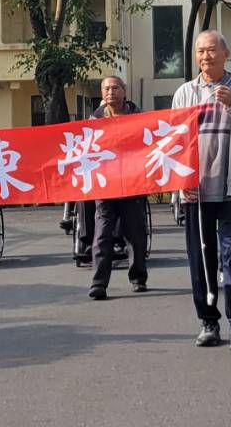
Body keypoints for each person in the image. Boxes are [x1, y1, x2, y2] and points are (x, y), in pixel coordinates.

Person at [173, 29, 231, 354]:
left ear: (225, 54)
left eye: (211, 50)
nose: (205, 56)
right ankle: (208, 322)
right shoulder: (184, 93)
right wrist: (181, 183)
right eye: (200, 51)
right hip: (196, 191)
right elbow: (174, 143)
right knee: (200, 259)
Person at [88, 75, 148, 299]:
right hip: (105, 184)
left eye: (115, 88)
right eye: (106, 89)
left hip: (132, 183)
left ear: (124, 91)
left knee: (134, 234)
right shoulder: (94, 120)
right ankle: (99, 283)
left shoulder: (139, 117)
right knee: (102, 235)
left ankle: (138, 277)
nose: (110, 92)